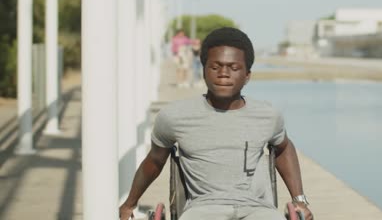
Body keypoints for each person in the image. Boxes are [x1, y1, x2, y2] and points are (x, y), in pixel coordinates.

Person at [119, 27, 314, 220]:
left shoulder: (268, 115)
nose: (224, 73)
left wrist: (299, 200)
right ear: (203, 71)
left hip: (258, 209)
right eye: (215, 66)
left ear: (247, 75)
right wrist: (130, 204)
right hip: (203, 209)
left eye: (234, 68)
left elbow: (284, 147)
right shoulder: (175, 116)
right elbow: (154, 160)